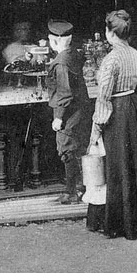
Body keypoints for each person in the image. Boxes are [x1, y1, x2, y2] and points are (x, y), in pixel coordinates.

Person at [89, 10, 137, 240]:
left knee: (119, 166)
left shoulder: (111, 59)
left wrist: (95, 130)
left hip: (117, 113)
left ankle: (120, 224)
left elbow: (103, 97)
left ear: (110, 33)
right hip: (136, 110)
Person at [46, 19, 92, 205]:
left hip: (69, 112)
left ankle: (71, 192)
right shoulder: (73, 55)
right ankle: (82, 188)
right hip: (81, 109)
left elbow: (64, 92)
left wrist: (58, 117)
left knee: (66, 148)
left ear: (53, 40)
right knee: (79, 148)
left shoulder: (61, 63)